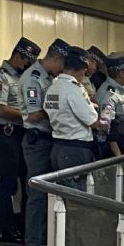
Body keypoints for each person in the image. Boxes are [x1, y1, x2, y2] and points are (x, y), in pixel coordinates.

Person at [19, 38, 68, 246]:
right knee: (38, 195)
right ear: (55, 59)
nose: (63, 71)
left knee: (50, 193)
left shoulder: (48, 79)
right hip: (37, 141)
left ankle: (47, 241)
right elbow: (33, 114)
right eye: (62, 65)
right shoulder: (33, 79)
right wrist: (59, 109)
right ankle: (35, 245)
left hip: (51, 140)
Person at [0, 37, 40, 244]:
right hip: (6, 135)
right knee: (8, 184)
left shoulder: (22, 78)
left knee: (27, 181)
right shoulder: (0, 78)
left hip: (22, 135)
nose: (28, 66)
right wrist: (27, 115)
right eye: (26, 61)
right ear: (18, 56)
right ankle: (7, 230)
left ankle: (26, 228)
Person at [44, 47, 102, 190]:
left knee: (61, 197)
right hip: (75, 151)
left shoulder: (53, 87)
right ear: (82, 70)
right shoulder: (73, 90)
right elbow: (93, 122)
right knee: (77, 197)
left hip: (58, 147)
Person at [96, 52, 124, 158]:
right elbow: (105, 128)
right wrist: (119, 157)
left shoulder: (120, 90)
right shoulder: (110, 96)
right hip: (113, 151)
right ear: (121, 73)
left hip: (122, 143)